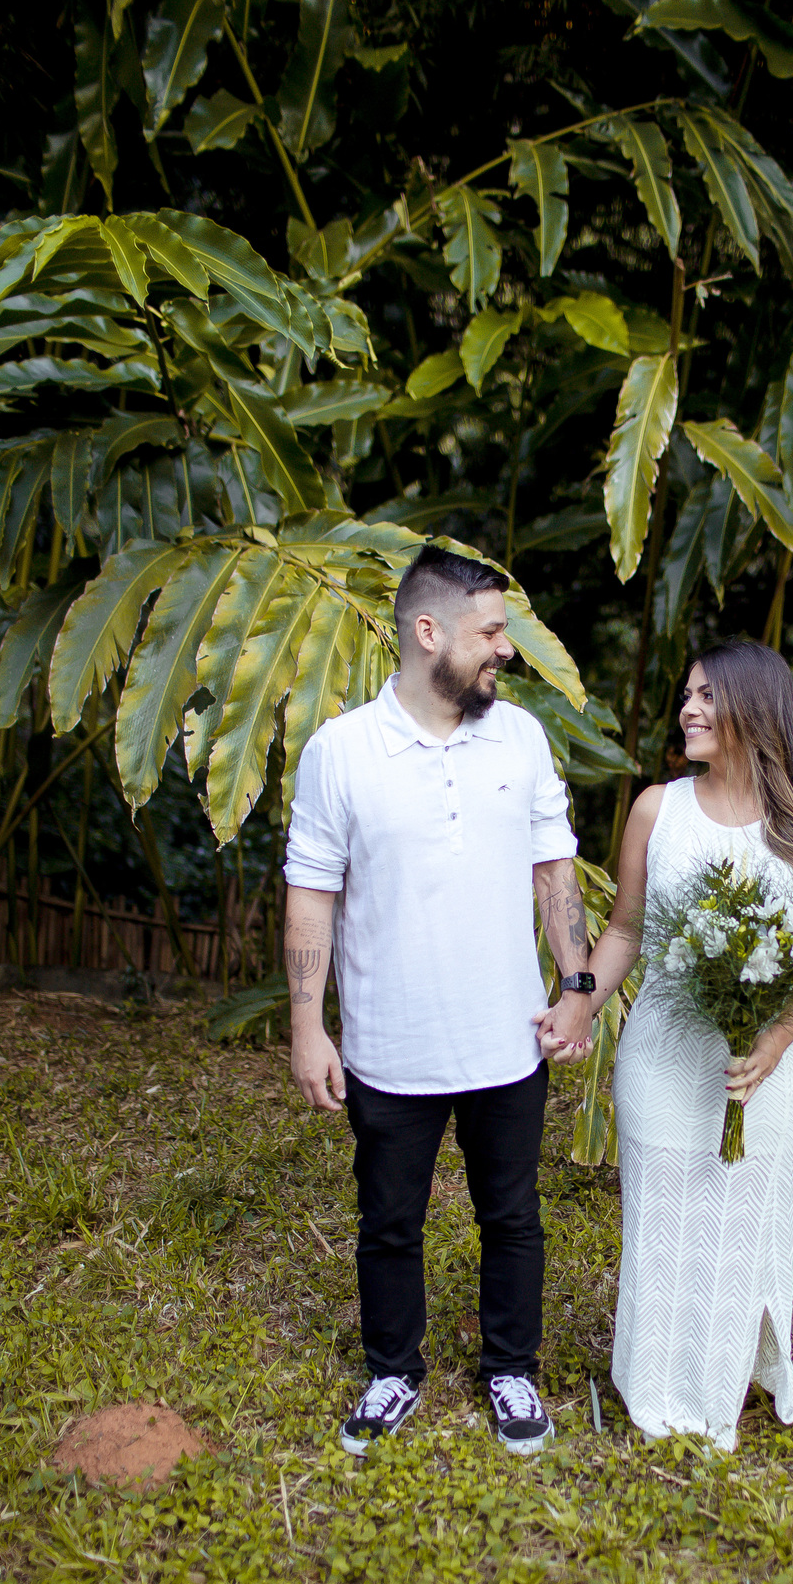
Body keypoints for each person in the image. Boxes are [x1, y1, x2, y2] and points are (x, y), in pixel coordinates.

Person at [283, 544, 594, 1458]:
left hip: (508, 1040)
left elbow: (554, 871)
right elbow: (312, 892)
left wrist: (576, 987)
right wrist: (308, 1027)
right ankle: (393, 1369)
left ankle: (512, 1369)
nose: (504, 648)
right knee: (388, 1222)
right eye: (490, 631)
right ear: (429, 633)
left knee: (513, 1214)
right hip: (389, 1043)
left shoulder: (521, 737)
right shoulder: (341, 751)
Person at [587, 641, 793, 1451]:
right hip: (664, 1051)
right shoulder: (655, 810)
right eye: (686, 695)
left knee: (744, 1215)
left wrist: (772, 1042)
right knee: (664, 1213)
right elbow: (627, 930)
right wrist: (574, 1007)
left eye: (708, 696)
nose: (688, 710)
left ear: (752, 707)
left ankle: (729, 1372)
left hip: (766, 1067)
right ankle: (656, 1379)